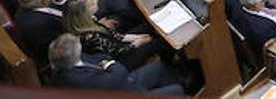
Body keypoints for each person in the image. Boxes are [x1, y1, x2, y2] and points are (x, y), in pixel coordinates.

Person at [46, 32, 183, 94]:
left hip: (122, 83)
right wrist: (109, 64)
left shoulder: (64, 63)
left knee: (160, 67)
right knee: (178, 89)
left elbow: (100, 56)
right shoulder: (80, 80)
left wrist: (107, 64)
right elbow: (119, 71)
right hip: (123, 90)